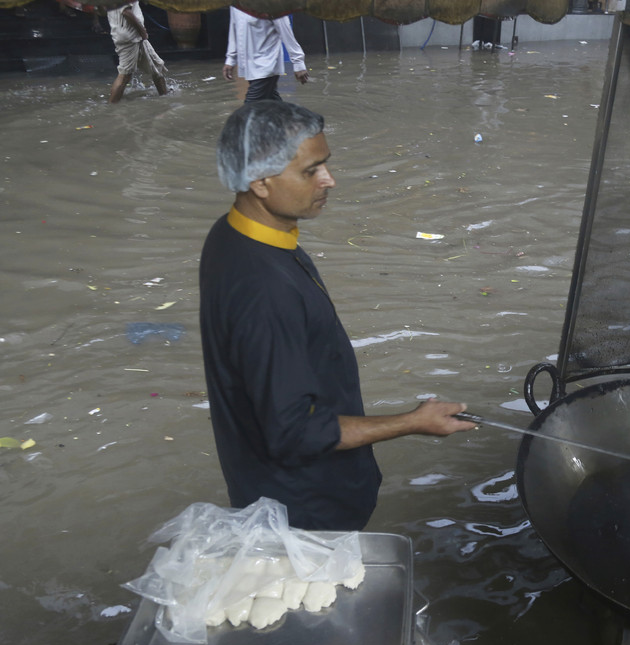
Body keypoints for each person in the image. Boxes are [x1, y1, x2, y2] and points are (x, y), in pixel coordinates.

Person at [200, 101, 475, 531]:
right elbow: (295, 433)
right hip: (303, 509)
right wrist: (413, 421)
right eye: (311, 171)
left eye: (325, 165)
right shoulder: (265, 289)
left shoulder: (231, 235)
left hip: (264, 482)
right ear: (259, 182)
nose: (329, 180)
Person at [223, 7, 310, 103]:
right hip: (249, 66)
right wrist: (230, 59)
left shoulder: (271, 4)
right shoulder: (236, 4)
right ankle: (296, 118)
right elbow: (234, 27)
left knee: (250, 108)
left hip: (267, 63)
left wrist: (298, 62)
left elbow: (285, 30)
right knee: (272, 105)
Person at [106, 0, 168, 104]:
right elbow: (126, 12)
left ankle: (165, 98)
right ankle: (111, 106)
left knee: (157, 67)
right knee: (125, 75)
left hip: (133, 36)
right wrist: (142, 31)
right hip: (130, 36)